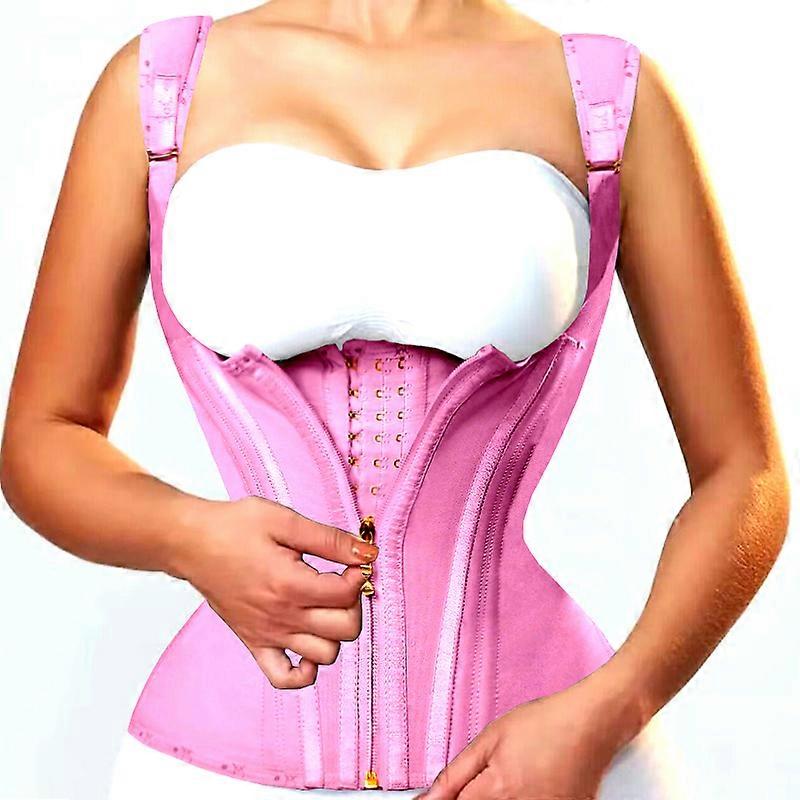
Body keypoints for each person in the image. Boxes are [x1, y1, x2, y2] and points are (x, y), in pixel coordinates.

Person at [0, 3, 789, 799]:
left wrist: (613, 707)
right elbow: (42, 435)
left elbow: (744, 474)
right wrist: (187, 537)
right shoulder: (161, 87)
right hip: (215, 766)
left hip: (553, 765)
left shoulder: (607, 96)